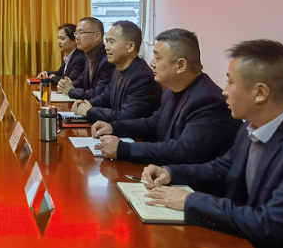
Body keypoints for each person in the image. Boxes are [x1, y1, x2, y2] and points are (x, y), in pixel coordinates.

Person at [142, 40, 283, 248]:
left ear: (260, 93)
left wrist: (190, 201)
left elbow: (269, 224)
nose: (224, 91)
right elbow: (221, 169)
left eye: (231, 82)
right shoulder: (251, 126)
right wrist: (170, 173)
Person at [91, 28, 240, 164]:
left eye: (157, 58)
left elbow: (184, 151)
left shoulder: (209, 101)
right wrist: (113, 127)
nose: (152, 63)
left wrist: (124, 149)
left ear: (181, 65)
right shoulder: (171, 89)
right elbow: (153, 123)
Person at [72, 20, 161, 122]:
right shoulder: (117, 69)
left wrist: (90, 111)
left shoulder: (142, 77)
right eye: (106, 41)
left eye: (112, 42)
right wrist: (88, 104)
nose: (106, 47)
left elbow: (125, 116)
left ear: (130, 47)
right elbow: (106, 96)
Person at [57, 17, 115, 100]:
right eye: (76, 33)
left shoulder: (108, 60)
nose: (77, 37)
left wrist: (70, 90)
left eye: (81, 32)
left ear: (97, 36)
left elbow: (99, 93)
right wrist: (65, 84)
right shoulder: (89, 56)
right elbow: (82, 80)